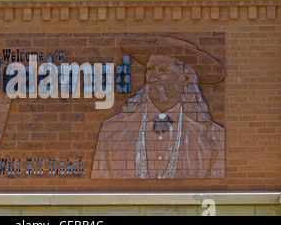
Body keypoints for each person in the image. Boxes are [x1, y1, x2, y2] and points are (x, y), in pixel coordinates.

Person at [91, 37, 225, 179]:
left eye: (163, 70)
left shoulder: (215, 138)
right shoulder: (111, 130)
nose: (151, 78)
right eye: (149, 69)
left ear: (185, 78)